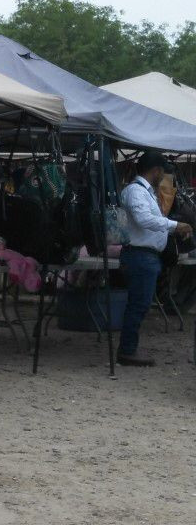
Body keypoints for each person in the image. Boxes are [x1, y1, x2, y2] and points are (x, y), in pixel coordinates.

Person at [118, 151, 192, 366]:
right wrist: (175, 225)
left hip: (146, 256)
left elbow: (152, 222)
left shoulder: (145, 192)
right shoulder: (136, 192)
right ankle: (127, 351)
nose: (164, 177)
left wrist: (172, 230)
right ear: (156, 170)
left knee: (139, 304)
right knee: (138, 305)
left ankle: (129, 349)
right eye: (162, 172)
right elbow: (144, 220)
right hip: (140, 256)